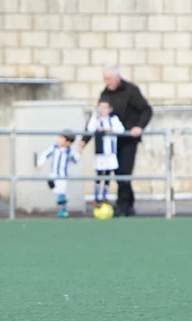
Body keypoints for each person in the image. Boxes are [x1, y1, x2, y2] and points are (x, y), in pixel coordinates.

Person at [80, 64, 153, 217]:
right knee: (113, 172)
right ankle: (125, 204)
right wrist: (84, 139)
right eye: (105, 79)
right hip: (109, 142)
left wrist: (139, 127)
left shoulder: (131, 91)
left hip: (128, 140)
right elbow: (97, 117)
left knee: (124, 173)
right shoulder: (105, 93)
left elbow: (146, 110)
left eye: (109, 79)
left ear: (117, 77)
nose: (106, 82)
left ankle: (124, 205)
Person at [85, 100, 124, 206]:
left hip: (110, 153)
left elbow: (121, 130)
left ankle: (105, 196)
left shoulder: (113, 119)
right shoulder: (96, 120)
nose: (102, 110)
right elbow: (90, 129)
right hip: (100, 152)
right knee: (99, 174)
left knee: (108, 174)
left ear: (110, 109)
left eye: (105, 107)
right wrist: (94, 116)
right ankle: (96, 197)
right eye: (100, 107)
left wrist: (108, 129)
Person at [38, 131, 80, 218]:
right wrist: (40, 163)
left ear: (68, 142)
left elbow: (75, 160)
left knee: (61, 193)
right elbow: (46, 154)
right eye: (59, 138)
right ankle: (60, 200)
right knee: (52, 183)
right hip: (54, 173)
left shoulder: (69, 151)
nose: (59, 140)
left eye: (62, 139)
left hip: (63, 175)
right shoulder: (54, 148)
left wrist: (79, 151)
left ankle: (63, 210)